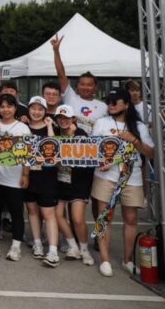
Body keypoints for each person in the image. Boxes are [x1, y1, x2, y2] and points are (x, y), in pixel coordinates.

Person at [91, 88, 154, 277]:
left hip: (131, 177)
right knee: (104, 217)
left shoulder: (139, 126)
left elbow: (151, 153)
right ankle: (105, 259)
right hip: (105, 176)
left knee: (131, 218)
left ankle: (128, 259)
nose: (110, 105)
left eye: (115, 101)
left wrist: (134, 140)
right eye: (108, 101)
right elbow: (93, 149)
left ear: (126, 104)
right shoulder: (101, 123)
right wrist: (100, 162)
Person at [0, 93, 30, 261]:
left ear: (15, 108)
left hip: (15, 178)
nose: (6, 109)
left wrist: (26, 174)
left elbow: (27, 153)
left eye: (9, 106)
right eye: (2, 106)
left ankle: (16, 246)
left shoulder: (23, 128)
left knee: (16, 213)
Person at [54, 104, 95, 266]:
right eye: (60, 118)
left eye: (66, 118)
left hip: (79, 181)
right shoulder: (55, 133)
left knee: (77, 219)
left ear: (73, 119)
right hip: (60, 181)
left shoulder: (81, 134)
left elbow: (85, 156)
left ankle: (84, 250)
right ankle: (73, 247)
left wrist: (71, 138)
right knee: (57, 215)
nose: (63, 121)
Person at [23, 95, 60, 267]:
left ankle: (53, 250)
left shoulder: (52, 127)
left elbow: (53, 147)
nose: (36, 112)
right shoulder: (23, 127)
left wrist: (50, 125)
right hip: (28, 175)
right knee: (31, 210)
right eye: (33, 108)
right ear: (28, 109)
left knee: (48, 213)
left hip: (47, 176)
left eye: (40, 109)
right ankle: (37, 243)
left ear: (45, 111)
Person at [52, 35, 106, 132]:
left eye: (89, 85)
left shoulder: (103, 107)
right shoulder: (70, 97)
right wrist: (56, 51)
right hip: (70, 140)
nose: (85, 87)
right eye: (82, 84)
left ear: (95, 87)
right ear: (77, 86)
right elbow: (61, 75)